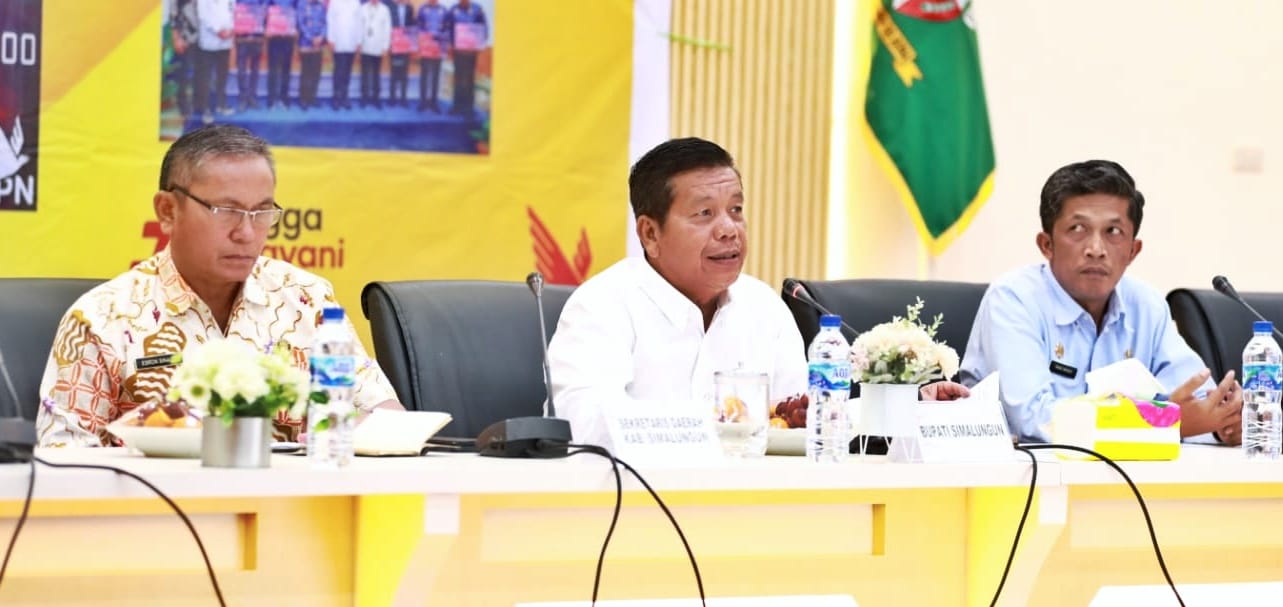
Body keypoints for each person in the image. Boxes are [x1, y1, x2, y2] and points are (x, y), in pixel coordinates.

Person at [547, 138, 967, 446]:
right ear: (650, 234)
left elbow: (801, 418)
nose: (729, 229)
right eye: (704, 214)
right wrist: (721, 424)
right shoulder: (602, 305)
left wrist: (905, 406)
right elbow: (584, 425)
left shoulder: (762, 306)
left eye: (736, 210)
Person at [36, 125, 404, 447]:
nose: (246, 233)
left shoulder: (308, 299)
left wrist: (344, 429)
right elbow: (63, 456)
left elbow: (386, 416)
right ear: (167, 210)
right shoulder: (103, 319)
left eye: (261, 213)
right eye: (226, 211)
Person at [959, 159, 1243, 445]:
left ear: (1133, 251)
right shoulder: (1013, 299)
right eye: (1077, 229)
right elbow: (1034, 419)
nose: (1096, 249)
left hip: (1129, 472)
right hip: (1022, 471)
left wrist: (1223, 424)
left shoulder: (1146, 305)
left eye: (1113, 232)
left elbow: (1196, 402)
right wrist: (1163, 422)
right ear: (1047, 245)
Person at [444, 0, 486, 117]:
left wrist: (479, 44)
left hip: (471, 52)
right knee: (458, 77)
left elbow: (483, 28)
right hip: (457, 51)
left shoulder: (478, 9)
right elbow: (447, 28)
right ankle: (457, 106)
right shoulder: (453, 10)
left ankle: (468, 108)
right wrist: (450, 44)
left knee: (469, 78)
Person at [195, 0, 235, 124]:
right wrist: (218, 30)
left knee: (222, 75)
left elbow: (233, 13)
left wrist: (231, 30)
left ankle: (221, 104)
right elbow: (203, 16)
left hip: (225, 42)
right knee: (206, 77)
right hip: (209, 42)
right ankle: (206, 109)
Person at [327, 0, 363, 110]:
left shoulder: (356, 3)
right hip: (338, 42)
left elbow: (359, 23)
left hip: (351, 43)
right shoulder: (334, 2)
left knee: (347, 72)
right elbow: (330, 21)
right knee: (338, 71)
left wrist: (359, 41)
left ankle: (344, 97)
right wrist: (331, 39)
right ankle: (336, 98)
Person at [169, 0, 201, 121]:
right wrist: (176, 38)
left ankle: (198, 104)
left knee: (200, 74)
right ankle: (183, 105)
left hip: (202, 39)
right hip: (184, 39)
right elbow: (173, 17)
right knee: (183, 74)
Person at [233, 0, 267, 111]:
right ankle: (243, 98)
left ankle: (252, 97)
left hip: (257, 36)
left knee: (255, 69)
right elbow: (233, 8)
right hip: (242, 36)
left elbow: (266, 9)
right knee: (241, 70)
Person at [264, 0, 299, 109]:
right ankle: (272, 99)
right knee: (273, 69)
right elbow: (264, 11)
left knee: (286, 69)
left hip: (288, 38)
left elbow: (297, 12)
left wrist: (295, 28)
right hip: (274, 38)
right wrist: (266, 27)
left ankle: (284, 98)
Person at [358, 0, 392, 109]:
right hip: (365, 46)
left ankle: (376, 99)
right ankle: (364, 98)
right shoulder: (363, 8)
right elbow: (359, 27)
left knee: (376, 74)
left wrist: (385, 47)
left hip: (378, 47)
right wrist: (359, 43)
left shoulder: (385, 9)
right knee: (365, 74)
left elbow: (387, 29)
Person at [416, 0, 447, 113]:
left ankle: (434, 102)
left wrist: (440, 36)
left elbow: (447, 28)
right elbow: (418, 26)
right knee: (424, 75)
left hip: (438, 49)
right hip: (426, 48)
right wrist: (424, 37)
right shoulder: (422, 9)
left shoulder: (443, 10)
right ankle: (423, 102)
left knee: (435, 76)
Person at [295, 0, 327, 110]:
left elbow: (325, 23)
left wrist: (321, 36)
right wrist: (311, 38)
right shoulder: (301, 4)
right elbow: (300, 24)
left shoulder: (321, 5)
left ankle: (312, 98)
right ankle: (303, 99)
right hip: (306, 44)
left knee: (316, 73)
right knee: (306, 73)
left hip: (318, 45)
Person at [387, 0, 416, 107]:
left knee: (404, 72)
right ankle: (392, 98)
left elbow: (412, 26)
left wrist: (413, 44)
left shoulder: (409, 8)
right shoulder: (390, 7)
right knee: (394, 71)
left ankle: (403, 98)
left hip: (406, 45)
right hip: (394, 44)